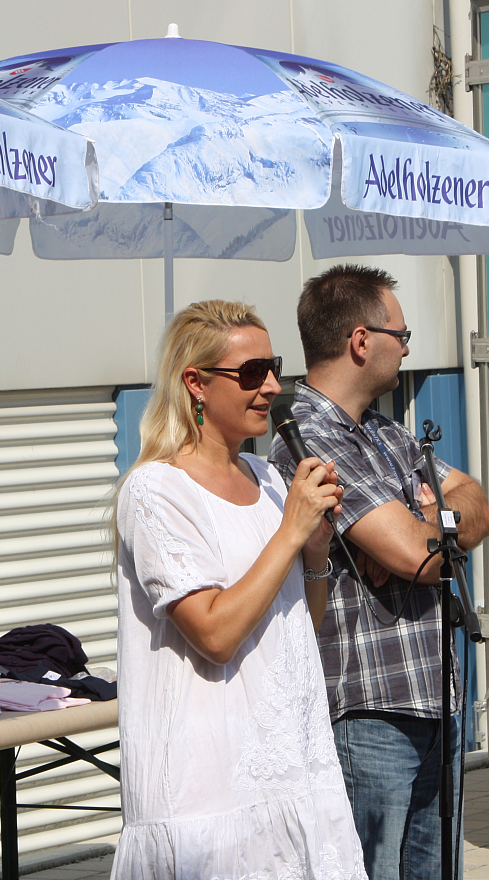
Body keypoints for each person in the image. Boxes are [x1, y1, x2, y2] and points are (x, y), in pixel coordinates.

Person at [110, 300, 368, 880]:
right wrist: (290, 532)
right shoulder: (156, 491)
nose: (271, 386)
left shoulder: (270, 478)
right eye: (251, 372)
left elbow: (300, 625)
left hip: (294, 775)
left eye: (273, 368)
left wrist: (316, 552)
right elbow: (215, 634)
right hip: (208, 792)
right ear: (196, 383)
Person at [269, 264, 489, 880]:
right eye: (402, 335)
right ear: (361, 341)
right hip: (369, 712)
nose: (407, 348)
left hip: (432, 699)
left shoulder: (385, 432)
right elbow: (417, 556)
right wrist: (421, 530)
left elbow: (479, 505)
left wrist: (423, 522)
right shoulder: (306, 438)